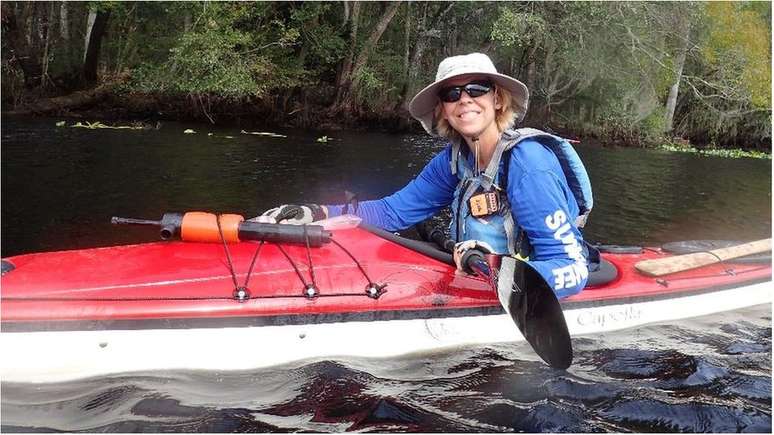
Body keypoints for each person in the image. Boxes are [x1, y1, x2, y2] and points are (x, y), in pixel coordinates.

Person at [257, 53, 592, 298]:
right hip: (477, 275)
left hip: (519, 282)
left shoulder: (529, 164)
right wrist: (317, 214)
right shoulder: (453, 161)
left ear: (498, 99)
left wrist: (499, 272)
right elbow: (392, 212)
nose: (465, 100)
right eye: (451, 94)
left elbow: (571, 268)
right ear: (443, 109)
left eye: (476, 89)